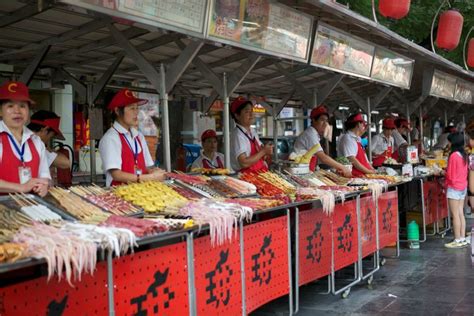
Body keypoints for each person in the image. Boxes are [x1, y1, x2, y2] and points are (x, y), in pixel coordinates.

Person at [99, 88, 166, 187]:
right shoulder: (111, 138)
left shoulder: (139, 136)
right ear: (117, 111)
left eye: (137, 108)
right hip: (118, 194)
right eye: (131, 108)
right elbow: (116, 175)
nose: (136, 112)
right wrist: (150, 178)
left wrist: (153, 171)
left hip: (140, 191)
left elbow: (144, 168)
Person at [0, 81, 50, 196]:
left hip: (31, 208)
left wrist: (44, 186)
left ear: (28, 111)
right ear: (0, 111)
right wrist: (21, 187)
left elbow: (45, 176)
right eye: (10, 106)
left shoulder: (36, 141)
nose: (17, 111)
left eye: (22, 106)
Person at [293, 105, 351, 176]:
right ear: (314, 120)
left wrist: (336, 167)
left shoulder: (315, 134)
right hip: (299, 172)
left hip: (306, 171)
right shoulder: (310, 134)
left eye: (326, 120)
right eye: (322, 120)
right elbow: (323, 158)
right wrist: (343, 167)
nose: (325, 123)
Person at [230, 96, 273, 173]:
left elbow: (261, 151)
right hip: (245, 177)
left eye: (252, 110)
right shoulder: (237, 135)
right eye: (247, 112)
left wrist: (266, 151)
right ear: (237, 115)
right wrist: (263, 151)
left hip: (259, 173)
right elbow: (244, 163)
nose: (251, 114)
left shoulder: (252, 131)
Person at [443, 132, 470, 248]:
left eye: (449, 141)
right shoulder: (463, 155)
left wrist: (443, 173)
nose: (448, 143)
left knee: (455, 215)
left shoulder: (453, 156)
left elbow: (450, 175)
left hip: (454, 187)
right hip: (462, 186)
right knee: (460, 213)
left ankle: (457, 239)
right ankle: (462, 238)